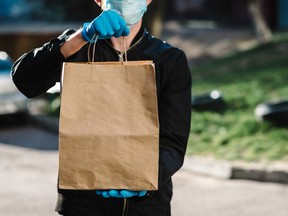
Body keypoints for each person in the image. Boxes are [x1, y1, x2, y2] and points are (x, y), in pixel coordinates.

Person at [11, 0, 192, 215]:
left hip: (147, 207)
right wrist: (82, 36)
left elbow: (173, 140)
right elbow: (25, 80)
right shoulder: (76, 48)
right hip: (83, 204)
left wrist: (144, 181)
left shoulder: (169, 60)